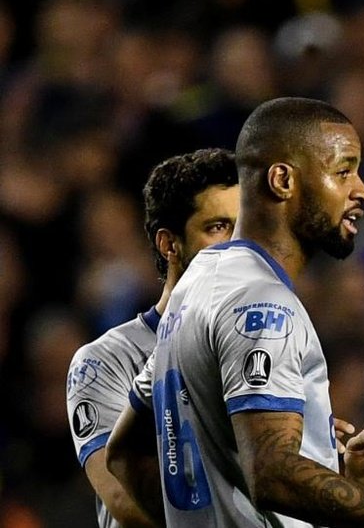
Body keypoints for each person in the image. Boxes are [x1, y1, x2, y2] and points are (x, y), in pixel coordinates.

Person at [106, 97, 364, 527]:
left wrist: (340, 478)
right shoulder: (261, 301)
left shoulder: (198, 282)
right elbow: (273, 475)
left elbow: (126, 452)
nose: (362, 190)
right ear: (282, 180)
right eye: (343, 171)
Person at [66, 147, 240, 527]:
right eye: (217, 227)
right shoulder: (104, 362)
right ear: (169, 244)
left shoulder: (264, 345)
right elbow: (122, 499)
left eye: (242, 228)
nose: (236, 245)